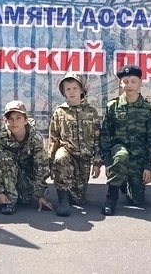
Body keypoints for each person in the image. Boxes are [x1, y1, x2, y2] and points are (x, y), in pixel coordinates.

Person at [98, 64, 151, 216]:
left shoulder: (148, 108)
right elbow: (105, 135)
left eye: (133, 81)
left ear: (140, 82)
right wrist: (108, 161)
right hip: (119, 151)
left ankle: (125, 181)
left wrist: (149, 167)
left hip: (138, 157)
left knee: (137, 200)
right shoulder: (113, 106)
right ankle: (111, 197)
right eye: (126, 81)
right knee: (122, 156)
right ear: (120, 82)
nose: (129, 85)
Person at [47, 72, 101, 216]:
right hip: (67, 153)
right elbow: (54, 138)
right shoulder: (60, 112)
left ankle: (73, 193)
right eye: (68, 89)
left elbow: (97, 138)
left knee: (78, 199)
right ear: (63, 92)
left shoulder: (91, 112)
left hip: (84, 157)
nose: (71, 92)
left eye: (74, 88)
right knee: (61, 158)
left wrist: (96, 162)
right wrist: (51, 163)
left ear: (82, 90)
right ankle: (62, 200)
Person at [0, 100, 53, 215]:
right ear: (6, 121)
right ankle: (9, 200)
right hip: (8, 174)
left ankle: (20, 192)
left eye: (18, 118)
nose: (14, 122)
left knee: (25, 201)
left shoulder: (35, 138)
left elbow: (41, 166)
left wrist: (40, 195)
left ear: (25, 120)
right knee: (4, 156)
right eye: (10, 118)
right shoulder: (2, 136)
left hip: (26, 175)